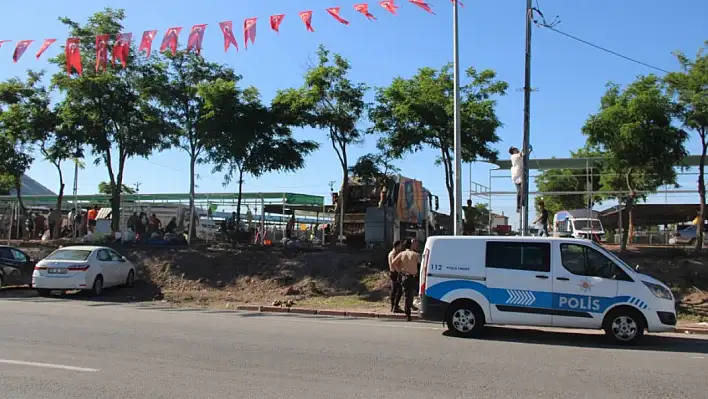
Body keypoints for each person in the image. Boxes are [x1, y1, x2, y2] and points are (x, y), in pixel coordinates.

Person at [391, 239, 421, 321]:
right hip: (413, 277)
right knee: (412, 295)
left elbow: (393, 263)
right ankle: (409, 313)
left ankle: (408, 312)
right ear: (410, 245)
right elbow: (422, 264)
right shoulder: (415, 255)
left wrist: (400, 271)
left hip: (404, 276)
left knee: (407, 295)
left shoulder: (401, 254)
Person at [509, 146, 532, 213]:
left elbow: (525, 156)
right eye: (515, 149)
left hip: (521, 174)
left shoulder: (519, 156)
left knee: (523, 190)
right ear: (513, 151)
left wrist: (529, 150)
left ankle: (523, 203)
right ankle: (519, 206)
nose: (517, 149)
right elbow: (521, 155)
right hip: (517, 175)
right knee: (520, 190)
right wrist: (523, 148)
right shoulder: (514, 156)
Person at [388, 240, 403, 313]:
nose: (401, 247)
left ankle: (393, 306)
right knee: (399, 291)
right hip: (395, 273)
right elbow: (394, 264)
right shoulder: (394, 253)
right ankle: (395, 306)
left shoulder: (391, 252)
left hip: (392, 273)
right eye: (400, 245)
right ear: (397, 246)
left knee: (394, 290)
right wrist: (399, 271)